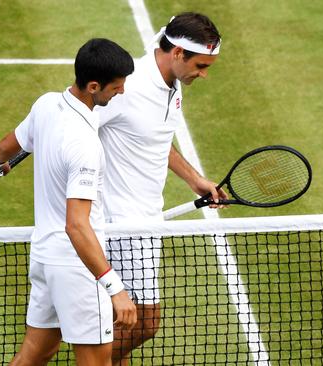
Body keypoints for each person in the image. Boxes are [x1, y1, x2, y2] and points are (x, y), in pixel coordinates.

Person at [0, 38, 137, 366]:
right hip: (77, 269)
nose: (121, 92)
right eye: (117, 87)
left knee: (35, 354)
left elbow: (11, 143)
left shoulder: (47, 105)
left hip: (45, 259)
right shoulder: (85, 147)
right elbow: (76, 225)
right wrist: (114, 287)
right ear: (94, 86)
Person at [96, 12, 228, 365]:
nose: (203, 74)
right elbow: (74, 126)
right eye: (200, 66)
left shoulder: (171, 86)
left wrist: (195, 179)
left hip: (146, 219)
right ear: (178, 54)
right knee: (144, 322)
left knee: (117, 321)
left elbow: (153, 140)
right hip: (123, 223)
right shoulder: (130, 88)